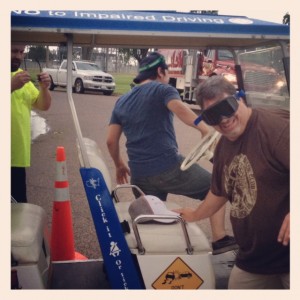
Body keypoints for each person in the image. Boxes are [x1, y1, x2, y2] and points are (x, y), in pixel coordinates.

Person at [106, 52, 237, 254]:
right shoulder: (162, 89)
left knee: (156, 216)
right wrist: (203, 128)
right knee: (217, 187)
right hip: (168, 167)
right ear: (160, 71)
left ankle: (160, 256)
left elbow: (111, 140)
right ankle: (220, 238)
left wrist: (119, 164)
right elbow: (179, 107)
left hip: (139, 175)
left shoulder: (122, 101)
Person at [175, 75, 290, 289]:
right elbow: (220, 191)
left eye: (226, 107)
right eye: (212, 116)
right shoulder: (223, 146)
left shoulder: (275, 129)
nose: (223, 120)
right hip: (253, 259)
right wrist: (196, 214)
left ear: (240, 99)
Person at [11, 44, 52, 203]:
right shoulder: (16, 81)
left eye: (21, 52)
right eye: (14, 51)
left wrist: (44, 88)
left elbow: (43, 105)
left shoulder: (22, 77)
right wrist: (11, 86)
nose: (19, 56)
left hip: (17, 157)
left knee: (18, 210)